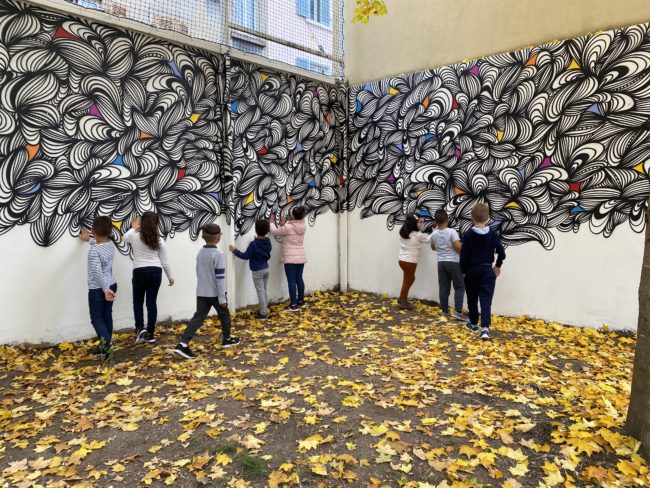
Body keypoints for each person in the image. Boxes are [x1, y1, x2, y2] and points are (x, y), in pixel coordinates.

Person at [173, 223, 240, 359]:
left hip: (202, 292)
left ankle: (183, 344)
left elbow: (199, 272)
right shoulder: (218, 254)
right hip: (215, 293)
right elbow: (220, 278)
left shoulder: (200, 253)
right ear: (218, 238)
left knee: (198, 318)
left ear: (204, 237)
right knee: (224, 315)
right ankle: (227, 339)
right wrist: (222, 298)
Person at [123, 212, 174, 345]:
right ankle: (150, 334)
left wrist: (133, 228)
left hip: (139, 271)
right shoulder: (159, 239)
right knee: (151, 302)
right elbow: (165, 262)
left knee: (137, 302)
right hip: (155, 271)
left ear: (142, 222)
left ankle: (139, 330)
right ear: (156, 223)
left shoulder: (134, 235)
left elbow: (124, 238)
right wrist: (170, 277)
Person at [459, 203, 506, 341]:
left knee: (472, 299)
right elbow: (502, 252)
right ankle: (485, 329)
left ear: (471, 216)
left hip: (472, 271)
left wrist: (464, 271)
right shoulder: (493, 235)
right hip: (487, 270)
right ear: (488, 217)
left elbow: (463, 256)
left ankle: (474, 324)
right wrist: (497, 265)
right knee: (486, 300)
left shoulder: (468, 235)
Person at [79, 216, 117, 363]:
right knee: (107, 315)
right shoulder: (110, 245)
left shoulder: (94, 251)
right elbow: (99, 243)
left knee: (96, 318)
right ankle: (104, 344)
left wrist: (105, 289)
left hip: (99, 288)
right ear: (110, 232)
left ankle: (106, 347)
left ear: (93, 230)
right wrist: (88, 239)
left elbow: (97, 272)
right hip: (111, 284)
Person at [229, 219, 272, 319]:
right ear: (267, 231)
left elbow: (246, 256)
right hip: (266, 268)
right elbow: (265, 249)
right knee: (264, 290)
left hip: (257, 271)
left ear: (256, 230)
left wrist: (235, 250)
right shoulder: (268, 241)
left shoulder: (253, 244)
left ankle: (263, 313)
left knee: (260, 292)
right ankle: (264, 309)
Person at [429, 209, 466, 320]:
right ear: (447, 220)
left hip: (441, 262)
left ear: (435, 222)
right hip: (454, 262)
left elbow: (433, 247)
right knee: (459, 287)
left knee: (444, 288)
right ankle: (458, 312)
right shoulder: (451, 232)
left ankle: (444, 311)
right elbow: (458, 247)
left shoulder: (434, 233)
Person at [270, 206, 307, 312]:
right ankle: (301, 302)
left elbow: (275, 232)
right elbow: (291, 231)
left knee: (291, 281)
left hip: (290, 258)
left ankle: (293, 305)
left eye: (289, 215)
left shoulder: (288, 227)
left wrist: (271, 223)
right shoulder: (302, 226)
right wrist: (284, 224)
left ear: (292, 217)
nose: (288, 216)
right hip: (300, 256)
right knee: (299, 279)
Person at [397, 213, 430, 310]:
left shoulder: (404, 233)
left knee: (407, 279)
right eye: (420, 222)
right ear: (414, 223)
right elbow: (429, 240)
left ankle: (402, 297)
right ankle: (403, 301)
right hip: (410, 262)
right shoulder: (418, 235)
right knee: (409, 280)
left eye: (423, 221)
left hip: (402, 260)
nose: (422, 223)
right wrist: (436, 232)